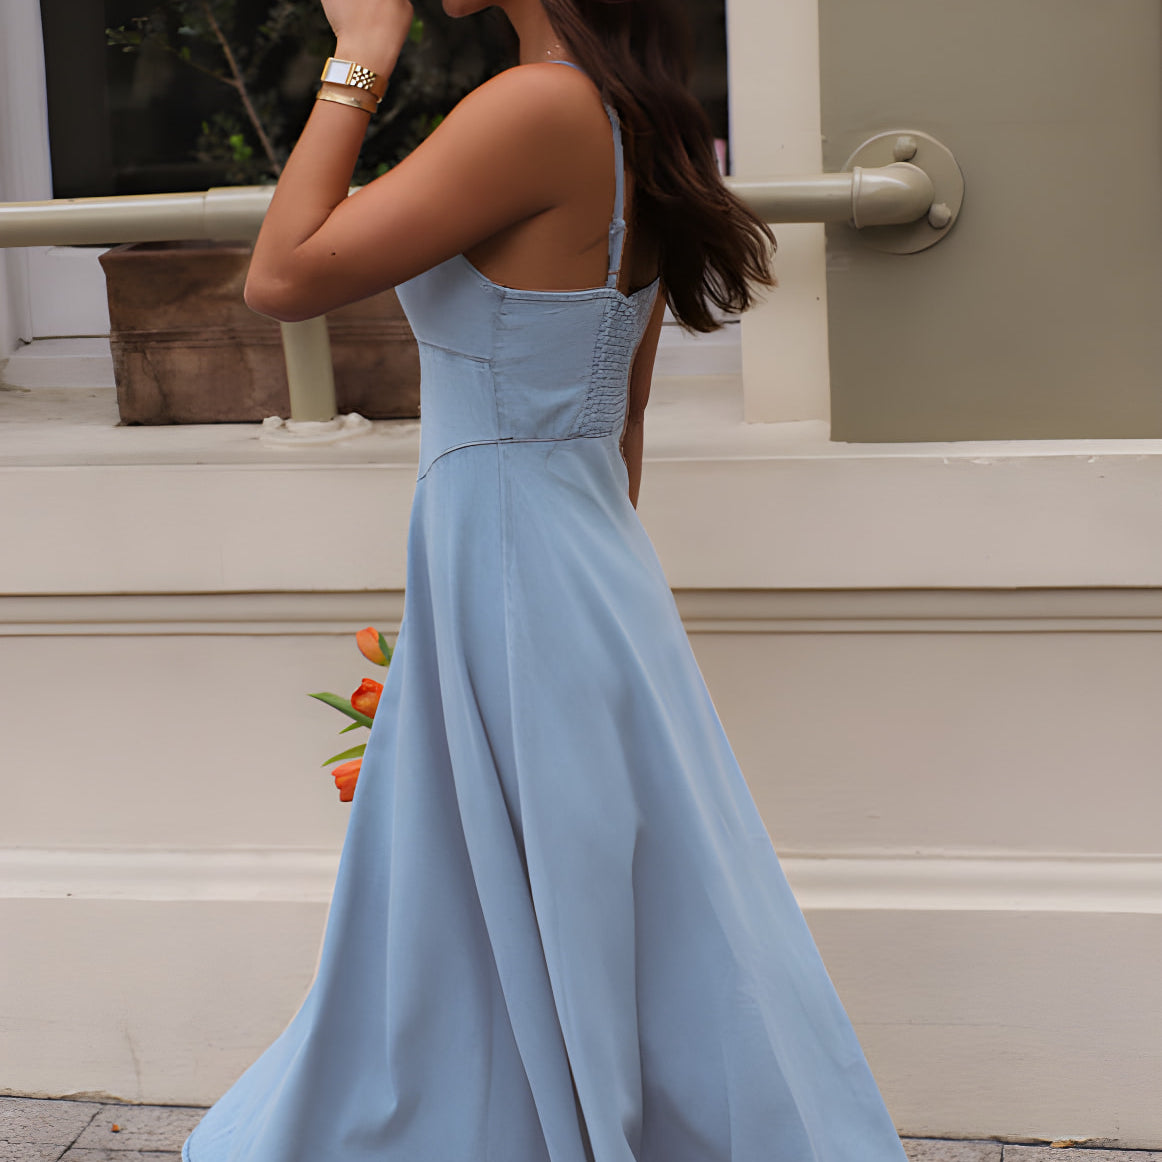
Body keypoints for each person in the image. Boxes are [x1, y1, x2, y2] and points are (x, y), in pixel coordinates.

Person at [183, 1, 911, 1160]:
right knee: (605, 885)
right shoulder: (635, 113)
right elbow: (619, 421)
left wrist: (360, 56)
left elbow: (281, 277)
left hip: (515, 554)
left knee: (509, 885)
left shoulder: (534, 106)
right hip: (583, 555)